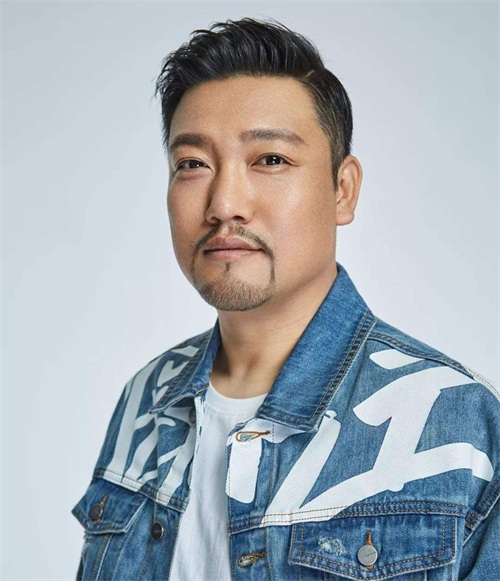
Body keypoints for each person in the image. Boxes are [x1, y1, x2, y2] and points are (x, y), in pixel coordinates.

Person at [71, 17, 499, 581]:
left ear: (342, 189)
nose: (225, 203)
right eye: (193, 164)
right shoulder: (145, 399)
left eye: (270, 159)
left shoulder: (458, 421)